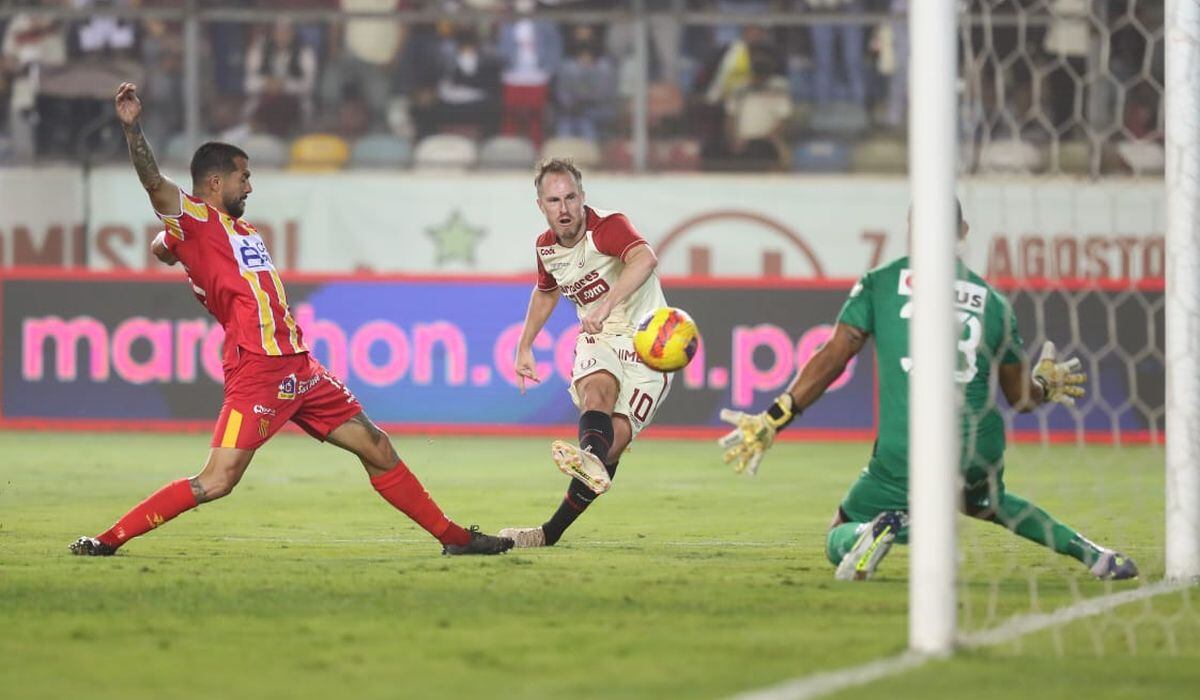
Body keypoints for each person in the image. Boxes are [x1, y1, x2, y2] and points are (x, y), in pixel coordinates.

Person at [69, 83, 512, 558]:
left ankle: (455, 539)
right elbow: (153, 181)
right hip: (257, 368)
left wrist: (166, 246)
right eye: (244, 176)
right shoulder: (194, 218)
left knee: (378, 447)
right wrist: (132, 127)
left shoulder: (239, 231)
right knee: (217, 480)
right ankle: (107, 540)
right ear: (216, 183)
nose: (251, 186)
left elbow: (165, 248)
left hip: (300, 369)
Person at [717, 202, 1139, 581]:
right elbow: (1021, 398)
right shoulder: (994, 303)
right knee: (988, 502)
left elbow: (834, 356)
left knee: (842, 527)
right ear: (963, 232)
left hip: (907, 449)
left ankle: (877, 530)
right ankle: (1096, 556)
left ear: (912, 231)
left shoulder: (880, 283)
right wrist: (1045, 385)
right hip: (977, 446)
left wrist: (775, 417)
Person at [498, 159, 671, 548]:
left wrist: (607, 304)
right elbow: (545, 291)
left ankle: (551, 530)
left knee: (616, 440)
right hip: (601, 336)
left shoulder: (607, 227)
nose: (564, 208)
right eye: (554, 200)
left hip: (650, 342)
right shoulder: (546, 247)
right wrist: (525, 345)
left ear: (583, 197)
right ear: (541, 206)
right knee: (596, 392)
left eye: (571, 197)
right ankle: (588, 461)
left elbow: (645, 258)